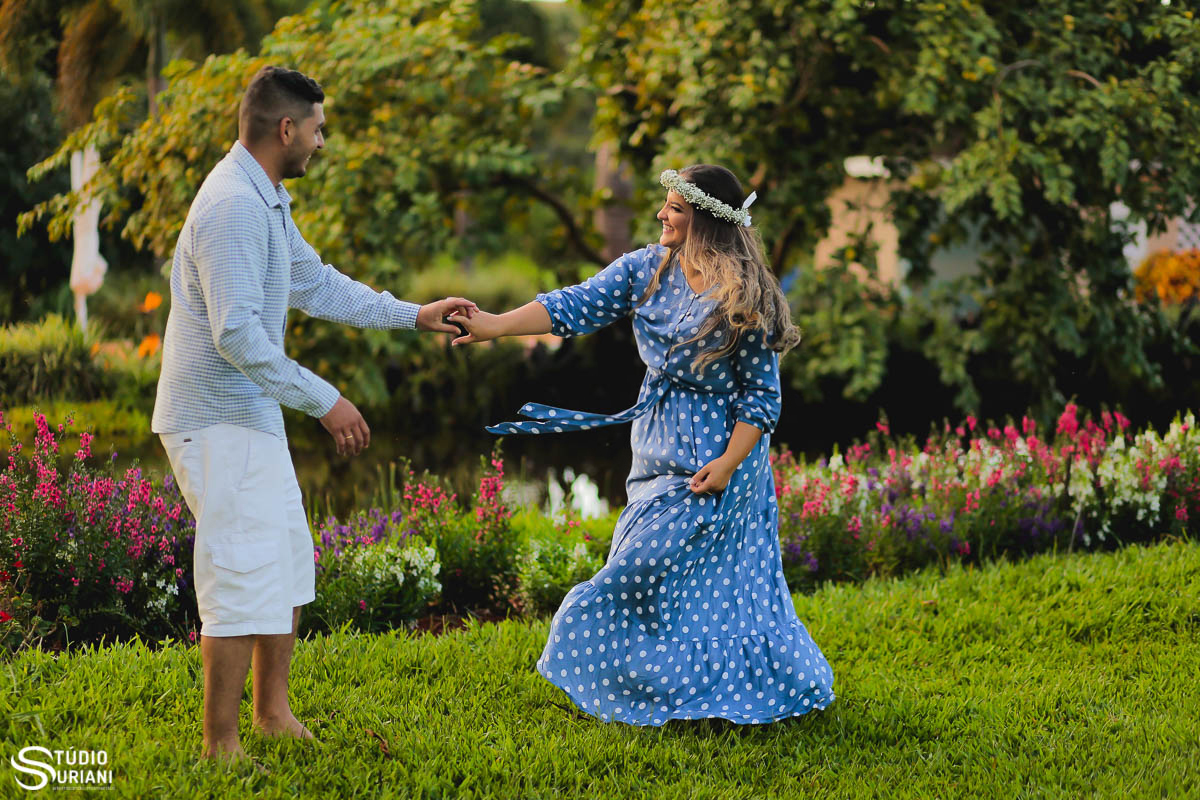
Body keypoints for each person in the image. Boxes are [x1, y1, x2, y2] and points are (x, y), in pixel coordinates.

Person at [152, 65, 475, 760]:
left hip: (249, 415)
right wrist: (326, 400)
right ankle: (220, 745)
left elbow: (316, 284)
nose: (322, 142)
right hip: (213, 419)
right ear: (286, 128)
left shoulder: (265, 198)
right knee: (239, 571)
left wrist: (413, 314)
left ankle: (272, 714)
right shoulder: (232, 205)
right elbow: (236, 335)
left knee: (286, 562)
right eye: (318, 129)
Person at [449, 164, 834, 725]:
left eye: (674, 208)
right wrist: (494, 325)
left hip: (722, 457)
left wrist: (728, 464)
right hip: (657, 443)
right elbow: (573, 305)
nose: (661, 215)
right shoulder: (646, 269)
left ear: (704, 220)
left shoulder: (744, 296)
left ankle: (733, 683)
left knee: (694, 577)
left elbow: (761, 397)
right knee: (662, 571)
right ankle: (668, 684)